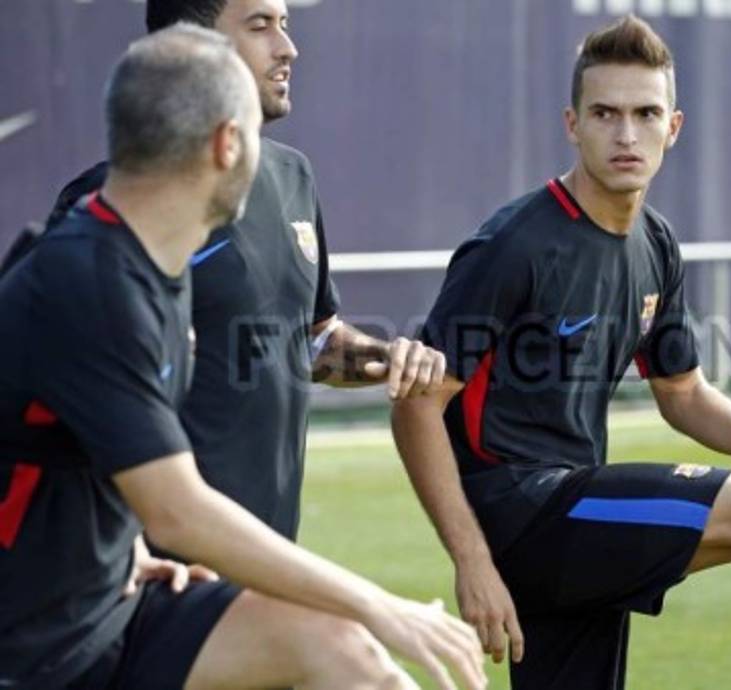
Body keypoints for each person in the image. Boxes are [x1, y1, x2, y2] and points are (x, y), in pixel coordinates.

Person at [391, 15, 731, 690]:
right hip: (520, 514)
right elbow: (417, 406)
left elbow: (682, 393)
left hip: (577, 515)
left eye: (646, 114)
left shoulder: (658, 245)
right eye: (605, 113)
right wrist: (472, 559)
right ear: (572, 124)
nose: (625, 134)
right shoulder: (514, 246)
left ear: (673, 127)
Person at [0, 26, 484, 690]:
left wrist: (130, 554)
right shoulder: (90, 282)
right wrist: (380, 604)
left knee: (346, 654)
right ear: (229, 144)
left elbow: (79, 448)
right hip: (31, 651)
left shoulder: (149, 264)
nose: (287, 47)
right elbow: (177, 509)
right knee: (356, 627)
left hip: (112, 605)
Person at [42, 0, 446, 547]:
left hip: (268, 553)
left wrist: (387, 359)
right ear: (194, 47)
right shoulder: (110, 206)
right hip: (156, 573)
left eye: (286, 24)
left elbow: (310, 342)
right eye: (260, 26)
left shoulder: (292, 175)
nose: (287, 48)